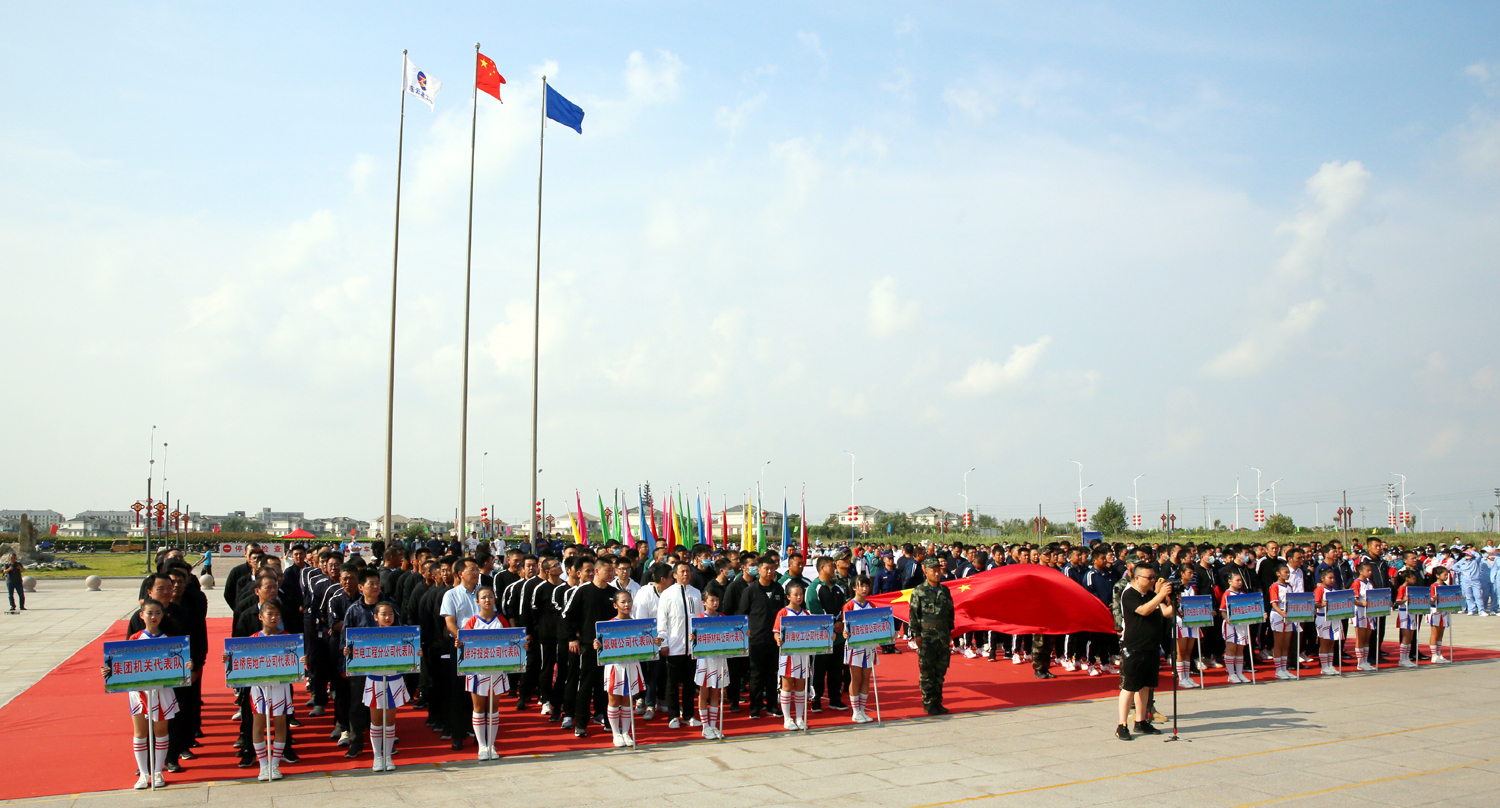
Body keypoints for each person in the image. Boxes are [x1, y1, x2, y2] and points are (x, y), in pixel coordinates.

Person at [104, 598, 192, 790]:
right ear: (141, 615)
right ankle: (144, 773)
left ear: (163, 615)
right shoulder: (134, 639)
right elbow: (123, 664)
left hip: (163, 691)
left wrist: (188, 665)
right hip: (139, 693)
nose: (154, 617)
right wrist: (109, 671)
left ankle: (158, 771)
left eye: (158, 613)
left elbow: (180, 666)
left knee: (161, 732)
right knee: (140, 732)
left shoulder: (171, 640)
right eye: (149, 613)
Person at [226, 599, 300, 781]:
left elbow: (296, 664)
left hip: (280, 687)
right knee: (258, 724)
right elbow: (240, 664)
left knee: (280, 723)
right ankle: (263, 765)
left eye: (277, 614)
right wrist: (229, 658)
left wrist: (301, 661)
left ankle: (275, 764)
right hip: (259, 688)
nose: (274, 618)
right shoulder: (252, 640)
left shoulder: (288, 638)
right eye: (270, 614)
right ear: (260, 617)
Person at [348, 601, 408, 772]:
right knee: (375, 721)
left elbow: (408, 657)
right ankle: (377, 756)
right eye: (383, 614)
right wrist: (349, 652)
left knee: (390, 721)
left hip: (394, 679)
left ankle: (388, 756)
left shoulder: (402, 635)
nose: (387, 617)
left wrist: (416, 653)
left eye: (390, 614)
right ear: (375, 617)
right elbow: (357, 655)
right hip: (375, 680)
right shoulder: (367, 636)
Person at [1115, 564, 1172, 741]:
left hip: (1151, 646)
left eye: (1154, 577)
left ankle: (1141, 720)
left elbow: (1165, 612)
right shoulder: (1129, 593)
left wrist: (1176, 601)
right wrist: (1160, 594)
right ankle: (1122, 724)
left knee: (1146, 686)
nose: (1153, 580)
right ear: (1137, 578)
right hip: (1134, 647)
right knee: (1129, 686)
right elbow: (1144, 610)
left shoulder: (1151, 594)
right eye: (1149, 578)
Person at [458, 585, 512, 761]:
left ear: (495, 599)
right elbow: (465, 645)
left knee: (493, 707)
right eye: (483, 597)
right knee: (479, 707)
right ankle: (481, 745)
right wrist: (459, 645)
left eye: (490, 597)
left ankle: (491, 744)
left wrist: (521, 646)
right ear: (477, 601)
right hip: (477, 671)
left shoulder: (502, 621)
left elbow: (511, 643)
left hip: (497, 670)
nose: (487, 600)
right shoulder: (472, 621)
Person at [596, 589, 653, 748]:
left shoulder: (638, 625)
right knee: (614, 699)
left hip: (632, 665)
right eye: (623, 602)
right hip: (615, 667)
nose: (627, 604)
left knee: (628, 699)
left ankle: (626, 732)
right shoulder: (609, 625)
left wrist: (654, 642)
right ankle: (616, 733)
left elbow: (645, 646)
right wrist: (598, 645)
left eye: (629, 601)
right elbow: (603, 646)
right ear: (615, 605)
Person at [735, 556, 788, 720]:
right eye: (766, 568)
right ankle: (756, 707)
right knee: (756, 675)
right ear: (758, 570)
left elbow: (782, 612)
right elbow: (742, 613)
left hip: (774, 639)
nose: (770, 571)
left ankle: (772, 705)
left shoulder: (778, 589)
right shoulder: (750, 590)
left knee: (772, 674)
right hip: (756, 640)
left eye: (772, 568)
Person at [657, 561, 703, 729]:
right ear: (674, 575)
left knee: (690, 684)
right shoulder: (667, 594)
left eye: (688, 571)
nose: (686, 574)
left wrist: (699, 640)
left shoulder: (696, 593)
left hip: (692, 647)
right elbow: (662, 620)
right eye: (682, 571)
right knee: (672, 684)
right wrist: (663, 642)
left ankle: (689, 715)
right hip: (674, 645)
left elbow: (700, 618)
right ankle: (673, 715)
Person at [907, 558, 954, 716]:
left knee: (940, 671)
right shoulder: (919, 591)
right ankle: (928, 703)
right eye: (933, 570)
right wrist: (916, 635)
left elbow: (950, 613)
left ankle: (938, 701)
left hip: (942, 637)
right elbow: (913, 615)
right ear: (925, 571)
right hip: (927, 637)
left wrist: (949, 633)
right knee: (927, 672)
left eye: (938, 570)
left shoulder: (945, 590)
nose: (936, 573)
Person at [805, 556, 849, 711]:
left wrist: (841, 622)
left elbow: (844, 608)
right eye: (831, 566)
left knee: (836, 670)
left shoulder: (838, 588)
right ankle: (816, 699)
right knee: (818, 670)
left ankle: (835, 699)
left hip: (838, 638)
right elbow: (815, 611)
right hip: (821, 638)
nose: (834, 568)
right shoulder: (813, 588)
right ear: (822, 568)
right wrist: (832, 624)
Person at [774, 581, 813, 732]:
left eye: (801, 594)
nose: (799, 597)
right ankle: (787, 718)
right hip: (788, 655)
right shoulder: (783, 613)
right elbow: (776, 632)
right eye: (795, 594)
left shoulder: (806, 614)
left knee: (800, 686)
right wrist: (778, 639)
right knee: (787, 686)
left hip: (802, 655)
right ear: (788, 596)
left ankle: (799, 717)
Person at [840, 574, 878, 723]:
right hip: (855, 647)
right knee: (856, 678)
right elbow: (846, 627)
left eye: (866, 586)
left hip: (869, 646)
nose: (864, 589)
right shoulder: (849, 605)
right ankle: (855, 712)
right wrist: (845, 633)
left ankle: (862, 710)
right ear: (854, 588)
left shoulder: (871, 605)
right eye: (861, 586)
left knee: (866, 679)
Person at [692, 591, 729, 740]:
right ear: (704, 602)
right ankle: (705, 726)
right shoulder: (699, 619)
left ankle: (713, 725)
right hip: (705, 661)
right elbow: (693, 640)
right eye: (711, 600)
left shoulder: (723, 618)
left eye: (717, 600)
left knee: (716, 692)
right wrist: (692, 637)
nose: (715, 603)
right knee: (704, 692)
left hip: (719, 660)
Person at [1172, 564, 1202, 688]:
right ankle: (1181, 678)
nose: (1192, 575)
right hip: (1180, 621)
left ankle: (1187, 676)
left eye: (1193, 573)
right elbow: (1170, 604)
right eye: (1189, 572)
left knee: (1189, 651)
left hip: (1192, 620)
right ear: (1182, 573)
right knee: (1181, 650)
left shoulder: (1193, 588)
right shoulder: (1176, 588)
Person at [1220, 571, 1252, 683]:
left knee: (1240, 649)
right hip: (1231, 625)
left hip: (1241, 625)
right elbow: (1223, 610)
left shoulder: (1243, 594)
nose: (1240, 582)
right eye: (1237, 580)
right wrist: (1226, 618)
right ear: (1230, 581)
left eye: (1241, 580)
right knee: (1231, 649)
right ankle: (1231, 674)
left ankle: (1239, 673)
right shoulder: (1227, 594)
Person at [1312, 568, 1344, 675]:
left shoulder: (1334, 590)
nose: (1332, 580)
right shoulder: (1320, 589)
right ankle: (1324, 666)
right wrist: (1322, 604)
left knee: (1332, 642)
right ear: (1323, 578)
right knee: (1324, 643)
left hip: (1334, 618)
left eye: (1333, 578)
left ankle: (1330, 665)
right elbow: (1314, 603)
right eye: (1330, 578)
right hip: (1323, 618)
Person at [1267, 563, 1295, 680]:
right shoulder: (1274, 586)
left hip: (1288, 615)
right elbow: (1274, 603)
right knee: (1278, 643)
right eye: (1285, 572)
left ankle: (1284, 668)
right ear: (1278, 574)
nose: (1288, 574)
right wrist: (1281, 612)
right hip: (1278, 615)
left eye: (1288, 572)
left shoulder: (1289, 586)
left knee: (1286, 643)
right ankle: (1278, 670)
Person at [1350, 562, 1378, 672]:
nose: (1370, 572)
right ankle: (1360, 662)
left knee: (1367, 637)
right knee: (1360, 637)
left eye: (1371, 570)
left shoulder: (1370, 583)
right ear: (1360, 571)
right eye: (1368, 570)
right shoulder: (1357, 583)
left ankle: (1365, 661)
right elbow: (1353, 599)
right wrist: (1362, 603)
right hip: (1360, 612)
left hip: (1369, 612)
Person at [1395, 568, 1422, 669]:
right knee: (1406, 637)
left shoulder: (1410, 589)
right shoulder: (1402, 588)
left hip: (1412, 613)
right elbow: (1398, 601)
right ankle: (1402, 659)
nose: (1415, 580)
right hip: (1404, 614)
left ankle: (1407, 658)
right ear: (1407, 578)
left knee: (1410, 637)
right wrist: (1404, 600)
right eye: (1413, 578)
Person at [1427, 566, 1452, 664]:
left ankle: (1438, 653)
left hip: (1444, 611)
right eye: (1445, 574)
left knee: (1441, 633)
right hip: (1435, 611)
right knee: (1435, 633)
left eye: (1447, 575)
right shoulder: (1434, 586)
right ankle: (1434, 655)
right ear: (1438, 575)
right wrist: (1434, 599)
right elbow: (1430, 600)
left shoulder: (1445, 586)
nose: (1446, 576)